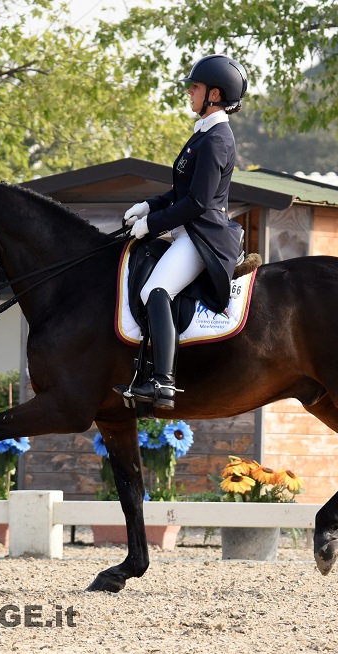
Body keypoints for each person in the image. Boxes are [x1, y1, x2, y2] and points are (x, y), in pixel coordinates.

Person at [120, 54, 248, 410]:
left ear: (215, 94)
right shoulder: (202, 135)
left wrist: (151, 225)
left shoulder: (216, 140)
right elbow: (179, 193)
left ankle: (163, 384)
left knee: (155, 290)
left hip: (203, 236)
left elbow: (197, 203)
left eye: (195, 87)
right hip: (187, 231)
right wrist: (148, 205)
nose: (189, 93)